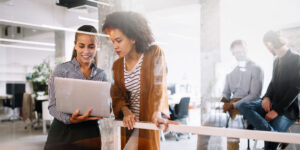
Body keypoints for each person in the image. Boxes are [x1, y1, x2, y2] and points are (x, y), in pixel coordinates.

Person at [102, 11, 178, 150]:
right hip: (128, 124)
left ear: (133, 38)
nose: (115, 46)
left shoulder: (154, 53)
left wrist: (157, 112)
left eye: (119, 41)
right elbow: (117, 96)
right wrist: (126, 112)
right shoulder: (118, 65)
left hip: (148, 123)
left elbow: (159, 86)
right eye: (113, 41)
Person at [45, 25, 107, 150]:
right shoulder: (61, 70)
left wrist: (106, 110)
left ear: (97, 46)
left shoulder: (101, 75)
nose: (86, 51)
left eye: (91, 46)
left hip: (90, 133)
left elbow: (104, 105)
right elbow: (52, 106)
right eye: (81, 46)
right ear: (75, 45)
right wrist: (70, 119)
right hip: (63, 132)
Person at [238, 30, 300, 150]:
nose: (267, 49)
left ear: (269, 43)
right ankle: (272, 135)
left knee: (269, 146)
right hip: (272, 103)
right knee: (244, 106)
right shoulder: (276, 60)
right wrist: (266, 97)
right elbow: (273, 83)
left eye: (266, 45)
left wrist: (276, 111)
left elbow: (295, 89)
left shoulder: (297, 58)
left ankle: (270, 137)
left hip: (287, 109)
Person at [197, 40, 264, 150]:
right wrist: (224, 102)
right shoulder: (231, 70)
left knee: (233, 130)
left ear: (247, 50)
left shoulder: (256, 68)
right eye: (237, 51)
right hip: (230, 108)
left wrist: (232, 105)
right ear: (233, 53)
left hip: (247, 108)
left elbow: (254, 95)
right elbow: (226, 92)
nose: (241, 53)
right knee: (205, 126)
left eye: (243, 50)